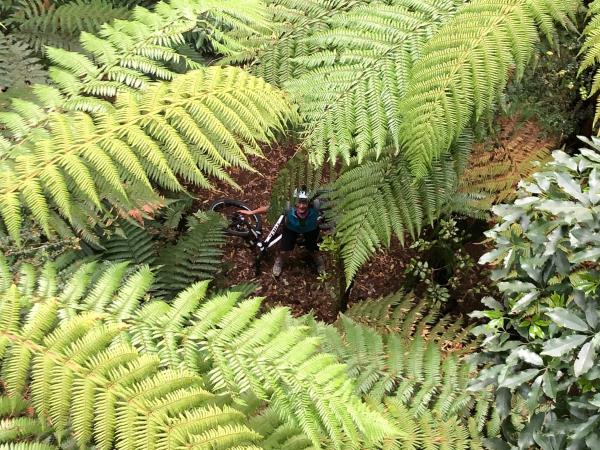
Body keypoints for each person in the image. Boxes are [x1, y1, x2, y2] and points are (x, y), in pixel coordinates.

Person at [239, 187, 324, 277]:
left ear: (309, 202)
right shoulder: (288, 207)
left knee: (313, 250)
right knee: (284, 251)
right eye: (299, 202)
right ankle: (280, 261)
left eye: (304, 202)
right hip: (291, 229)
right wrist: (252, 212)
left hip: (311, 230)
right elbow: (270, 209)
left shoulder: (317, 206)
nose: (301, 206)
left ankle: (319, 261)